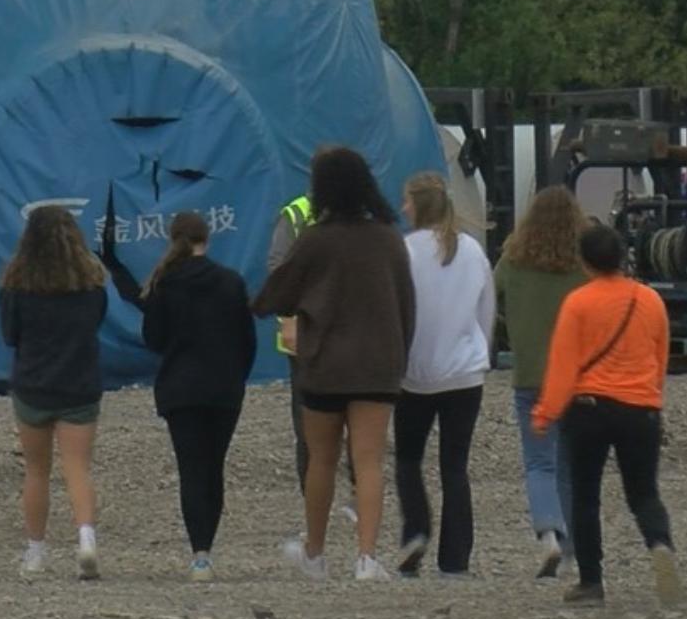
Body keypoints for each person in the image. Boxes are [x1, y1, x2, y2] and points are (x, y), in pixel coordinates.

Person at [252, 146, 415, 580]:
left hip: (324, 364)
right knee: (369, 461)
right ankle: (366, 558)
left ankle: (315, 553)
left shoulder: (314, 239)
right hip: (378, 365)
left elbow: (277, 293)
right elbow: (406, 303)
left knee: (321, 458)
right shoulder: (388, 237)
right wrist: (401, 356)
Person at [105, 211, 258, 581]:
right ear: (208, 238)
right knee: (214, 468)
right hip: (224, 387)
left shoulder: (165, 283)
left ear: (173, 239)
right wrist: (236, 376)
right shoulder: (231, 281)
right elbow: (247, 341)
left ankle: (199, 555)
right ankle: (209, 543)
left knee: (191, 469)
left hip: (181, 388)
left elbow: (154, 338)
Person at [532, 224, 680, 607]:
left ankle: (591, 581)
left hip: (590, 409)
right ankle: (660, 543)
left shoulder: (578, 303)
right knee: (644, 491)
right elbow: (660, 356)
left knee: (585, 496)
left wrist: (546, 412)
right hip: (641, 407)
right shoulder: (649, 301)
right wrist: (651, 396)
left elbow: (564, 364)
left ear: (585, 261)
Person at [0, 205, 109, 580]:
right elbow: (96, 323)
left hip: (33, 386)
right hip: (79, 384)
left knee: (36, 470)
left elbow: (10, 336)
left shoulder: (16, 285)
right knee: (78, 468)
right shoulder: (90, 285)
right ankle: (86, 540)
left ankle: (35, 552)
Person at [395, 172, 494, 578]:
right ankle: (455, 559)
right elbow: (485, 312)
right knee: (455, 465)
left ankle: (415, 529)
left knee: (407, 458)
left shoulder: (405, 251)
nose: (402, 208)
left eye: (406, 201)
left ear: (417, 206)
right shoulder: (472, 250)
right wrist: (480, 353)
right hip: (465, 374)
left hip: (415, 373)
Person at [494, 185, 588, 579]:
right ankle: (571, 553)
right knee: (571, 465)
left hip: (530, 374)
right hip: (577, 378)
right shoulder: (583, 263)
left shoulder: (512, 259)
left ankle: (547, 533)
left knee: (539, 463)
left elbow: (494, 299)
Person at [269, 193, 356, 523]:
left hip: (343, 335)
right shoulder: (295, 215)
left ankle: (354, 497)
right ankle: (315, 503)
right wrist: (289, 319)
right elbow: (277, 268)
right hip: (308, 338)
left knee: (353, 420)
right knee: (308, 426)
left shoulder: (355, 215)